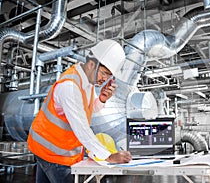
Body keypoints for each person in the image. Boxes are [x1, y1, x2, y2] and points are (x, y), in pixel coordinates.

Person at [27, 39, 132, 183]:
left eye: (109, 76)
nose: (105, 79)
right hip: (55, 154)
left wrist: (101, 99)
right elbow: (81, 127)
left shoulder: (87, 82)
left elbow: (88, 110)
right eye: (104, 73)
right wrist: (108, 156)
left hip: (46, 149)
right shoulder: (70, 86)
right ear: (91, 64)